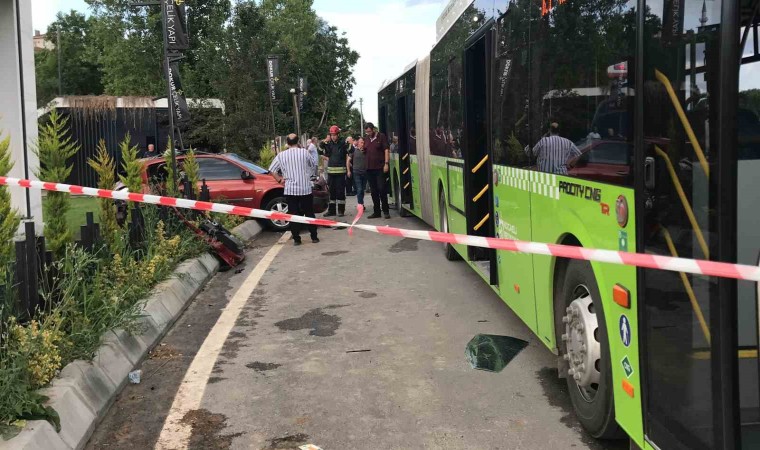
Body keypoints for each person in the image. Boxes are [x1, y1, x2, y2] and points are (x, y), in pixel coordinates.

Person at [268, 133, 319, 246]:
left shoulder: (281, 155)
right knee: (309, 213)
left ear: (287, 142)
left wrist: (280, 180)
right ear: (298, 141)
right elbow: (313, 164)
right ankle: (314, 237)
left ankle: (297, 239)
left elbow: (272, 170)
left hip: (290, 189)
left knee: (293, 214)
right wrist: (309, 175)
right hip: (305, 188)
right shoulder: (305, 153)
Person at [319, 125, 350, 217]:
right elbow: (321, 153)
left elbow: (350, 150)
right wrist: (321, 144)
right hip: (331, 173)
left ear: (338, 134)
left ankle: (341, 210)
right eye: (331, 135)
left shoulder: (342, 143)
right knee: (331, 192)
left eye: (334, 135)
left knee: (340, 192)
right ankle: (331, 210)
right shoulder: (328, 144)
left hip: (341, 172)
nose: (333, 136)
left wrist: (348, 144)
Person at [363, 123, 391, 219]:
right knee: (373, 191)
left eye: (369, 131)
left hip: (380, 168)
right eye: (366, 132)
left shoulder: (381, 137)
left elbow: (386, 150)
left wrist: (386, 163)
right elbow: (365, 150)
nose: (368, 133)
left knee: (382, 189)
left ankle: (386, 211)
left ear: (373, 129)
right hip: (369, 169)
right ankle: (377, 211)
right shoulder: (366, 139)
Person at [348, 136, 368, 209]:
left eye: (363, 142)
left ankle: (361, 203)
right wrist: (349, 170)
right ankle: (360, 204)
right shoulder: (354, 151)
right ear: (358, 143)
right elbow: (348, 160)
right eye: (361, 142)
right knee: (359, 189)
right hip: (356, 172)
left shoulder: (366, 151)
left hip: (365, 173)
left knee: (362, 190)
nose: (362, 144)